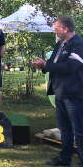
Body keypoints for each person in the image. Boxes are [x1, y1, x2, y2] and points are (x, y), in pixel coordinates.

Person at [31, 17, 83, 167]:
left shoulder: (78, 44)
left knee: (79, 131)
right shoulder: (60, 44)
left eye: (56, 28)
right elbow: (52, 64)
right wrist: (42, 65)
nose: (54, 30)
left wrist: (46, 64)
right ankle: (65, 159)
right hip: (60, 92)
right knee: (64, 129)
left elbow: (70, 67)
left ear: (65, 29)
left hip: (74, 94)